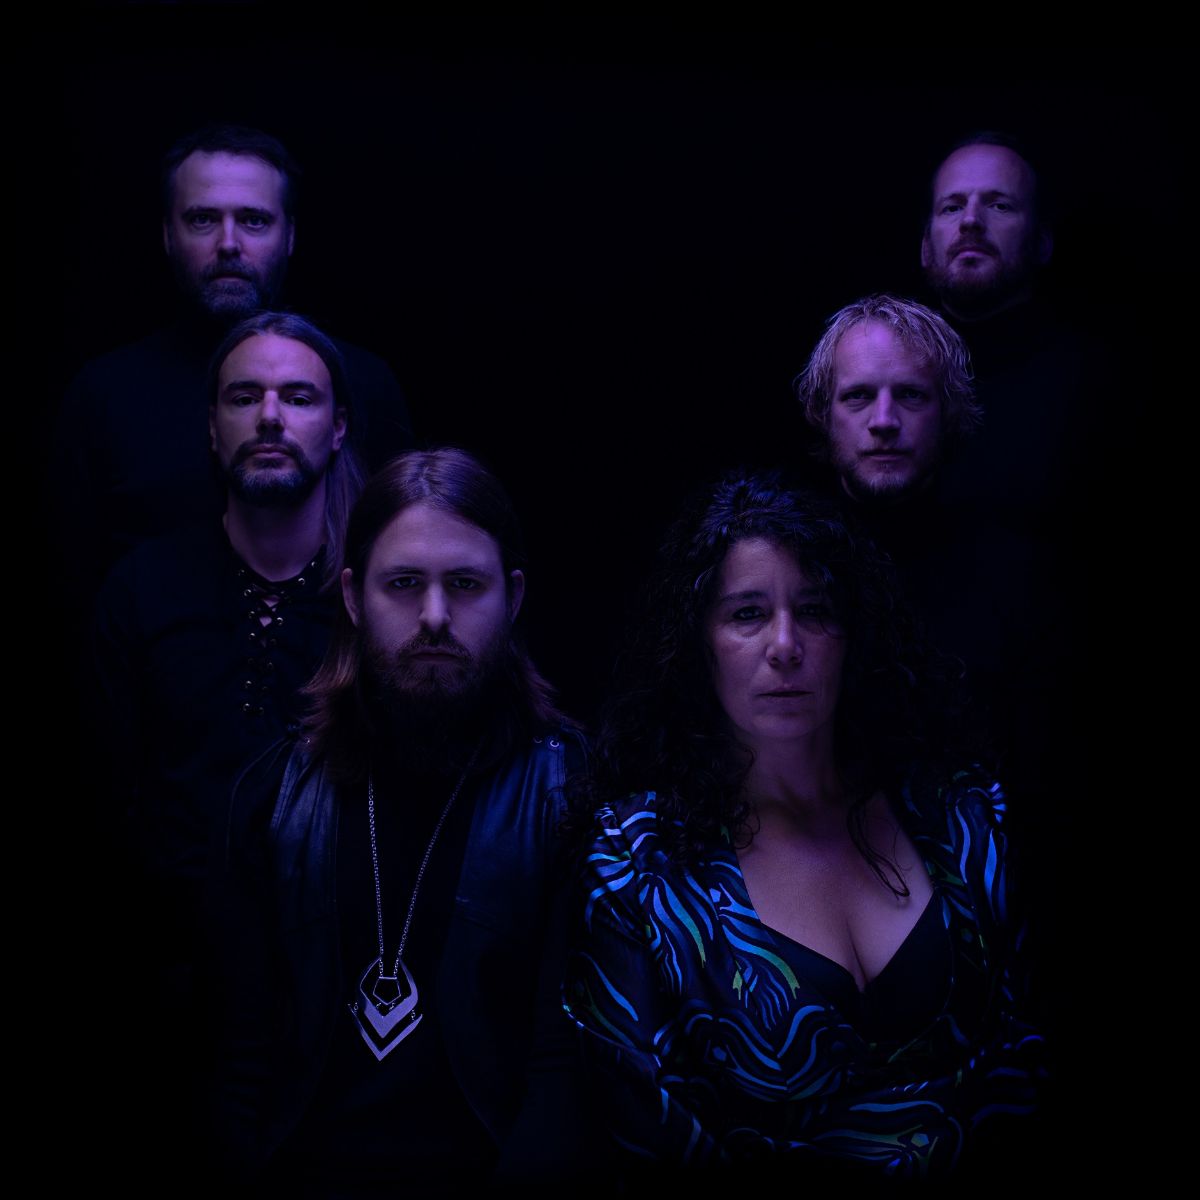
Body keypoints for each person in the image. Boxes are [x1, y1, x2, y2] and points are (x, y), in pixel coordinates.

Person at [562, 470, 1045, 1186]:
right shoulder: (634, 861)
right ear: (698, 642)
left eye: (815, 610)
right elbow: (644, 1126)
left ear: (854, 634)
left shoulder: (960, 812)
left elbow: (1030, 1052)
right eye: (747, 614)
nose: (785, 645)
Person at [209, 448, 589, 1193]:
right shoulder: (273, 798)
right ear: (354, 596)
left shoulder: (570, 794)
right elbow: (236, 1066)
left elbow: (564, 1076)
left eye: (466, 585)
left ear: (513, 597)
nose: (435, 617)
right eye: (404, 584)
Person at [87, 311, 367, 1177]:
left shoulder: (377, 596)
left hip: (342, 991)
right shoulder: (144, 588)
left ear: (338, 426)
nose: (270, 417)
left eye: (298, 397)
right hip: (171, 993)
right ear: (212, 428)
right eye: (244, 397)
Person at [57, 123, 412, 596]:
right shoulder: (104, 395)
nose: (228, 243)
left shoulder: (361, 382)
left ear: (290, 235)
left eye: (254, 220)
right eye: (203, 219)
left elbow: (405, 558)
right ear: (168, 235)